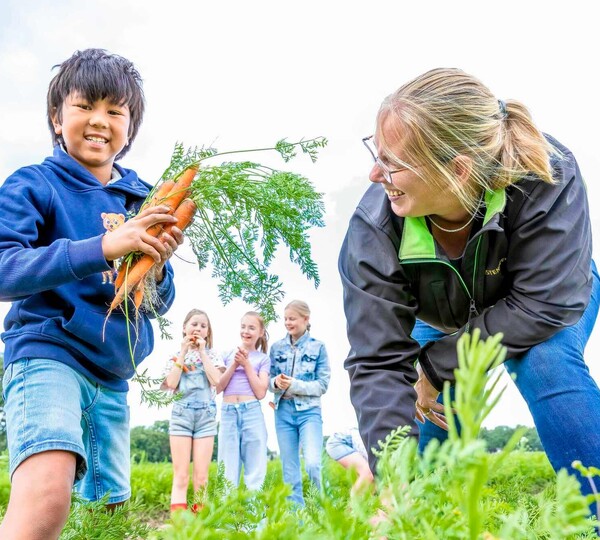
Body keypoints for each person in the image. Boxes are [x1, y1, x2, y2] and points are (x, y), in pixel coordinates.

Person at [339, 67, 600, 511]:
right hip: (443, 315)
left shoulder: (546, 173)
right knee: (428, 427)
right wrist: (393, 488)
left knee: (544, 359)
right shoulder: (374, 230)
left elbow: (543, 304)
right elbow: (378, 360)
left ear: (457, 170)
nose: (374, 174)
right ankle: (425, 515)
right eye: (376, 153)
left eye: (392, 163)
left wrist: (435, 367)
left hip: (548, 298)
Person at [0, 48, 183, 539]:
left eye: (114, 111)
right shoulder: (34, 184)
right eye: (84, 106)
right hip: (47, 353)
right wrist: (103, 246)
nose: (99, 120)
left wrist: (155, 268)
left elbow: (161, 303)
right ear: (57, 119)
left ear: (129, 128)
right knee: (47, 491)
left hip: (112, 372)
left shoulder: (141, 200)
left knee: (107, 512)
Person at [161, 309, 225, 513]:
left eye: (203, 326)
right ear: (184, 328)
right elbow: (171, 383)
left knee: (202, 476)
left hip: (206, 418)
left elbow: (217, 381)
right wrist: (183, 352)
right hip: (181, 417)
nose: (198, 328)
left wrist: (203, 353)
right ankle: (180, 528)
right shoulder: (174, 356)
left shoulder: (213, 355)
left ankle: (199, 526)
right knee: (180, 475)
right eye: (194, 324)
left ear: (208, 332)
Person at [269, 299, 330, 506]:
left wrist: (294, 385)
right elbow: (268, 381)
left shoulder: (318, 347)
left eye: (292, 318)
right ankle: (297, 520)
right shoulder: (276, 347)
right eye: (285, 318)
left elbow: (322, 385)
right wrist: (275, 382)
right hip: (283, 412)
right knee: (290, 470)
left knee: (313, 463)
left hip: (309, 413)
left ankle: (320, 510)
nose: (288, 322)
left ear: (306, 319)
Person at [216, 311, 270, 491]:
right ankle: (226, 518)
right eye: (243, 327)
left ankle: (255, 520)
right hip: (228, 412)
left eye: (252, 328)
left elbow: (261, 391)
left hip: (252, 412)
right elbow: (217, 387)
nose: (246, 331)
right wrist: (234, 364)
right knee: (226, 472)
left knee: (255, 472)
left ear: (261, 332)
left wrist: (246, 364)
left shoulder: (263, 359)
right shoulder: (227, 354)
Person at [325, 427, 373, 494]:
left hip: (352, 440)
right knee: (368, 473)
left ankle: (359, 502)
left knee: (371, 482)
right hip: (340, 441)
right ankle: (353, 503)